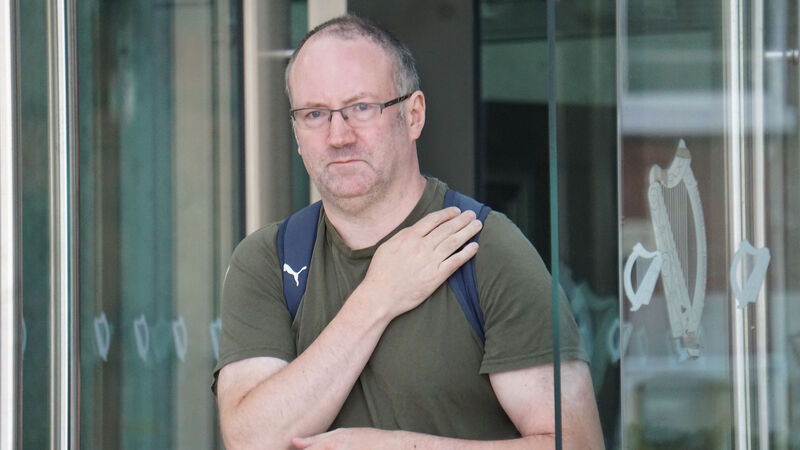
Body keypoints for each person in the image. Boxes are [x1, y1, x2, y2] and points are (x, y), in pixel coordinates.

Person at [213, 14, 603, 449]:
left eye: (362, 107)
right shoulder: (269, 260)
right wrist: (377, 297)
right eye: (315, 114)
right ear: (297, 133)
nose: (338, 135)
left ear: (413, 115)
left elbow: (578, 444)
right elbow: (251, 442)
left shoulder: (482, 248)